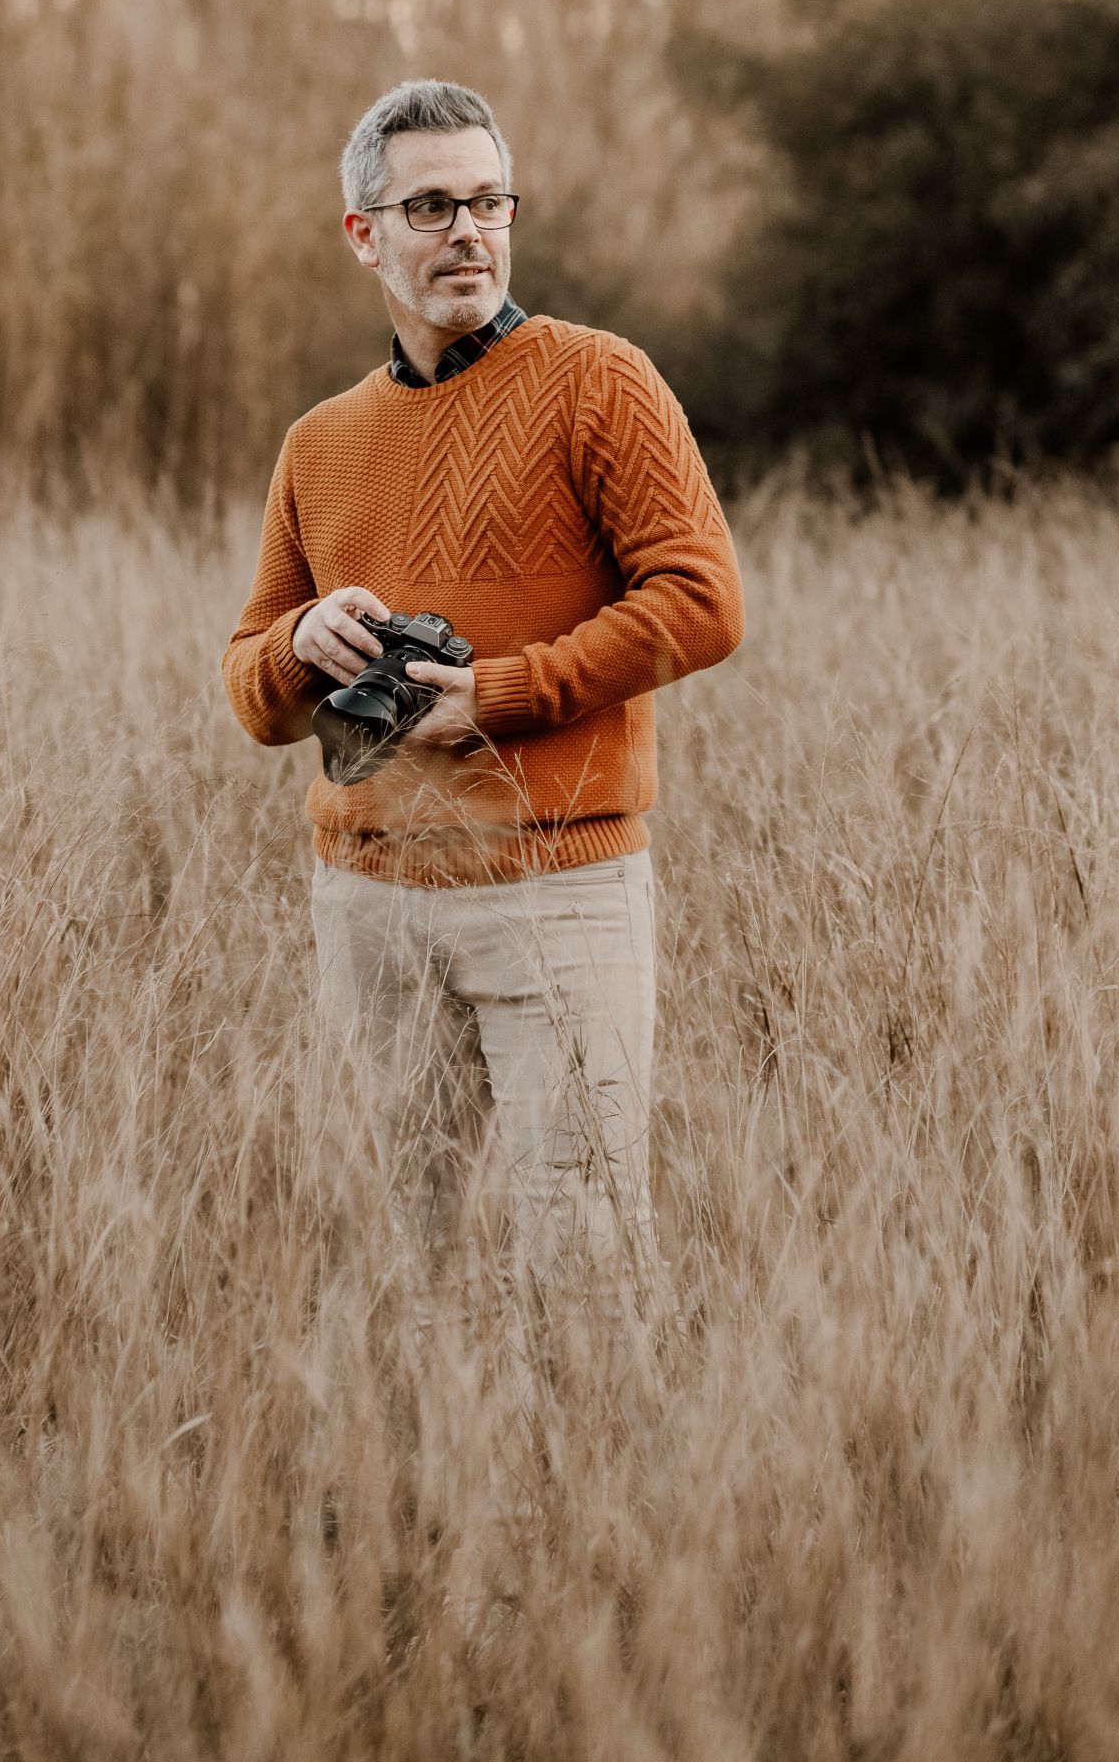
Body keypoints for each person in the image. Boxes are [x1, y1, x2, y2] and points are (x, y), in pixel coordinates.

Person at [222, 78, 743, 1313]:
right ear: (364, 234)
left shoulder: (596, 380)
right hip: (367, 907)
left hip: (557, 891)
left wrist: (498, 696)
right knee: (409, 1276)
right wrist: (305, 636)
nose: (467, 231)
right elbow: (253, 695)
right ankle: (436, 1507)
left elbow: (701, 601)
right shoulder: (319, 441)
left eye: (488, 202)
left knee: (587, 1268)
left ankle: (598, 1510)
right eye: (431, 206)